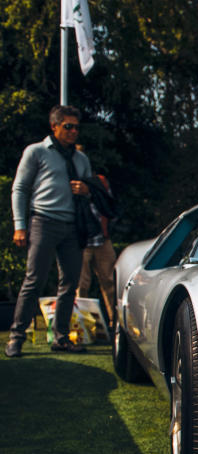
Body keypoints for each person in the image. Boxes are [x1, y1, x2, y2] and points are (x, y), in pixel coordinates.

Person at [5, 105, 93, 357]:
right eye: (68, 126)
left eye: (76, 127)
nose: (74, 131)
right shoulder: (36, 152)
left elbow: (91, 192)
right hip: (43, 222)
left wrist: (86, 191)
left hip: (72, 226)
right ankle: (16, 337)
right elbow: (20, 188)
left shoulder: (81, 159)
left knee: (70, 283)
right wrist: (19, 226)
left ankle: (62, 337)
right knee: (34, 281)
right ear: (54, 126)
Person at [76, 171, 118, 329]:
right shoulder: (68, 182)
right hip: (80, 241)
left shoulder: (101, 182)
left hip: (102, 238)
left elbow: (109, 205)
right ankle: (81, 328)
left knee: (110, 281)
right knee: (81, 285)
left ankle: (116, 325)